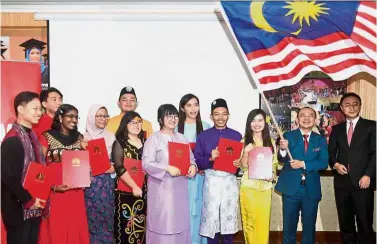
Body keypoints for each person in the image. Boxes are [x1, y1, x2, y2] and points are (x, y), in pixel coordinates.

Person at [142, 104, 197, 244]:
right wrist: (166, 168)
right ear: (160, 119)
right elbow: (146, 164)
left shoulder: (182, 138)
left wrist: (193, 167)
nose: (173, 119)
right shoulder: (154, 139)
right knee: (163, 224)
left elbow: (191, 159)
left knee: (180, 223)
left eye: (175, 116)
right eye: (168, 116)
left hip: (180, 189)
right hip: (162, 190)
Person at [276, 107, 328, 244]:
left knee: (310, 227)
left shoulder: (320, 140)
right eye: (302, 116)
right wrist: (282, 149)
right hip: (291, 189)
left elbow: (323, 163)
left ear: (315, 119)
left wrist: (303, 164)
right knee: (289, 226)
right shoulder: (287, 136)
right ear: (297, 119)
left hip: (311, 189)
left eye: (310, 115)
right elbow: (281, 160)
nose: (306, 118)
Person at [329, 93, 375, 244]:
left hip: (364, 182)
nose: (352, 107)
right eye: (347, 105)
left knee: (365, 224)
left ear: (360, 106)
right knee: (346, 224)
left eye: (355, 104)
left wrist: (368, 175)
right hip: (342, 183)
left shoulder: (372, 126)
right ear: (342, 108)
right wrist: (335, 164)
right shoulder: (336, 129)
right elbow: (330, 154)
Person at [39, 104, 90, 244]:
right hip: (55, 191)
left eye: (76, 117)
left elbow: (86, 163)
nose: (74, 120)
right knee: (57, 228)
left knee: (75, 226)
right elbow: (39, 166)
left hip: (76, 192)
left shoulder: (80, 138)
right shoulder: (47, 137)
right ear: (60, 117)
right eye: (70, 116)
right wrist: (52, 187)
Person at [1, 91, 47, 244]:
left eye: (40, 109)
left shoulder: (32, 136)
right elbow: (7, 176)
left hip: (34, 207)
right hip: (18, 209)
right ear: (20, 109)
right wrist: (28, 200)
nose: (39, 113)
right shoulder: (13, 139)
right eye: (35, 108)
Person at [194, 98, 242, 244]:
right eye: (217, 114)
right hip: (212, 184)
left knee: (228, 221)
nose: (220, 117)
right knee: (212, 221)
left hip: (229, 183)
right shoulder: (203, 136)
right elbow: (197, 161)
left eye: (224, 114)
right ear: (211, 116)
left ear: (228, 115)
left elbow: (238, 165)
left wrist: (238, 163)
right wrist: (210, 158)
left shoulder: (237, 136)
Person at [235, 109, 278, 244]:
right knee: (250, 223)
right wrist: (246, 152)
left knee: (263, 223)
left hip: (265, 189)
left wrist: (272, 174)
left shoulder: (271, 142)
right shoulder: (244, 141)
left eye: (260, 120)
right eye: (253, 120)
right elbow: (242, 167)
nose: (256, 124)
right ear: (249, 123)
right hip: (249, 188)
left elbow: (275, 163)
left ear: (264, 122)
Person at [177, 94, 210, 244]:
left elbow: (211, 154)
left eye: (196, 104)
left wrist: (204, 165)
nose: (193, 108)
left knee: (199, 212)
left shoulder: (206, 126)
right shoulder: (176, 127)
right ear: (183, 108)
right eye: (189, 105)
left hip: (201, 178)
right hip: (181, 179)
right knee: (183, 212)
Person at [112, 111, 148, 244]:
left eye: (138, 122)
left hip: (144, 192)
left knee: (141, 229)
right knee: (125, 228)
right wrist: (134, 186)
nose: (136, 125)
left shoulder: (146, 142)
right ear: (125, 125)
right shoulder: (120, 143)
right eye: (132, 122)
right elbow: (119, 167)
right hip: (126, 192)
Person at [83, 105, 115, 243]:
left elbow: (116, 160)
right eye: (99, 116)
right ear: (91, 117)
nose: (103, 119)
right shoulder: (82, 137)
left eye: (105, 116)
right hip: (89, 183)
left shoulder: (111, 136)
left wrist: (114, 167)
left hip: (106, 182)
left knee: (107, 217)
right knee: (90, 218)